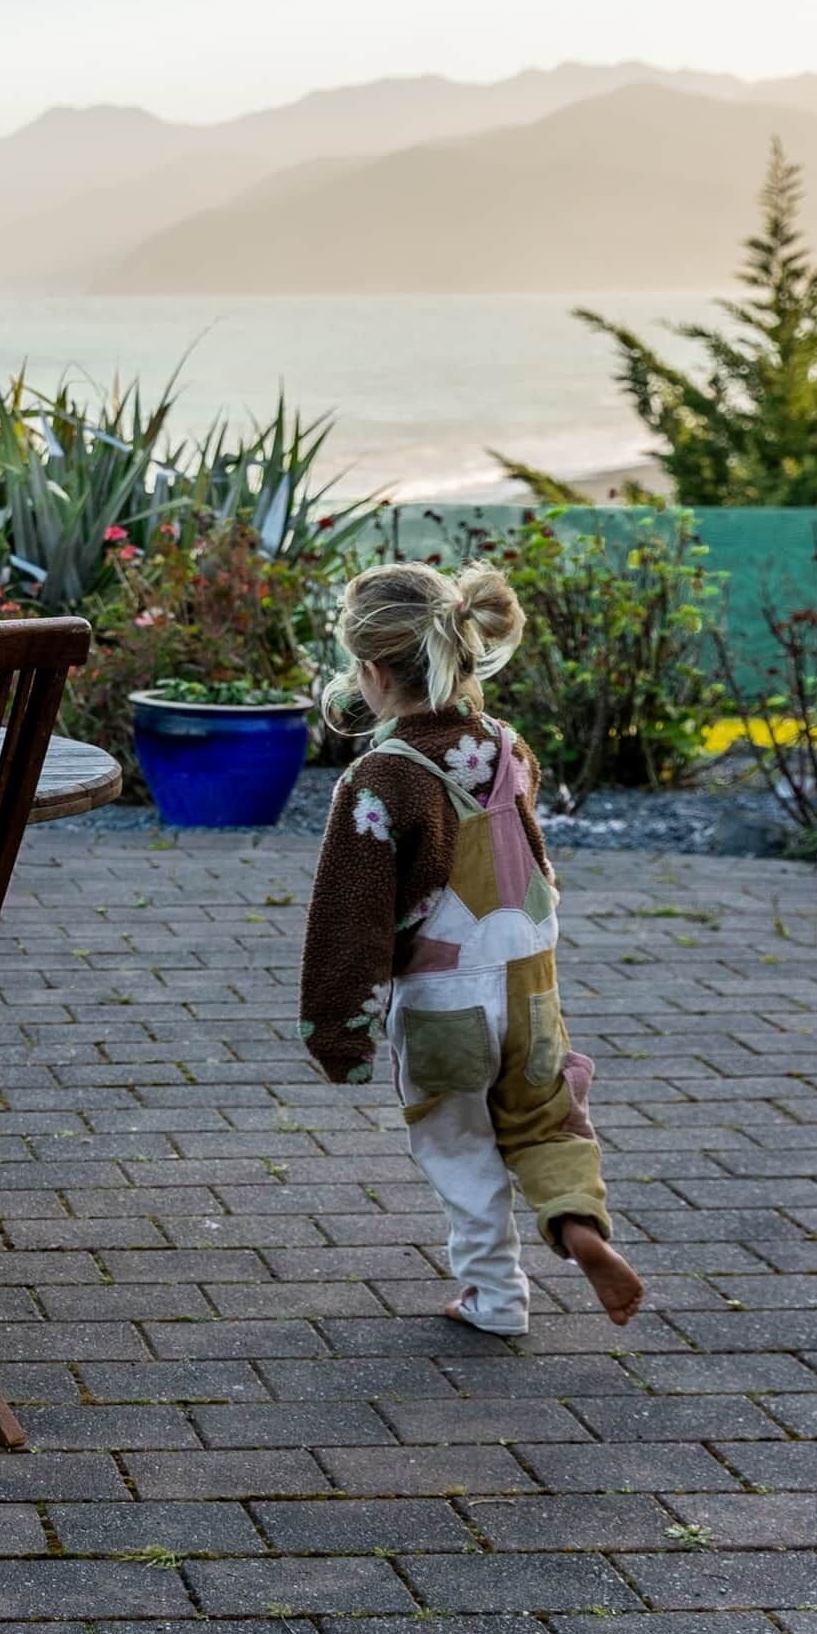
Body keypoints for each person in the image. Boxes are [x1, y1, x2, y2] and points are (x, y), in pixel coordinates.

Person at [299, 560, 644, 1336]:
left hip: (444, 1007)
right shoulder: (508, 746)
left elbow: (346, 920)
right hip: (530, 987)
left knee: (461, 1149)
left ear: (372, 670)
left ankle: (496, 1296)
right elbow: (537, 863)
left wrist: (338, 1031)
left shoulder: (381, 777)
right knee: (546, 1119)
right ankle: (579, 1225)